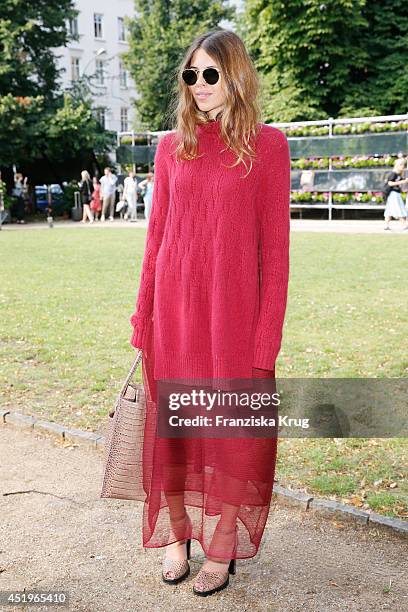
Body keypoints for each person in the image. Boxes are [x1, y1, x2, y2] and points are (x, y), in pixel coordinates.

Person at [127, 29, 290, 596]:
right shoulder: (172, 147)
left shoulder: (269, 146)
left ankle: (221, 548)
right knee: (175, 434)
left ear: (236, 77)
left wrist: (266, 338)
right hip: (175, 315)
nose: (198, 86)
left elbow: (277, 253)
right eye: (190, 75)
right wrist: (143, 315)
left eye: (210, 75)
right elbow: (156, 239)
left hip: (232, 320)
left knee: (227, 437)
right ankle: (177, 539)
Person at [383, 158, 408, 230]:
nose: (403, 167)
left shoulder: (398, 174)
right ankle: (404, 224)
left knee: (389, 210)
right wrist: (403, 182)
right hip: (393, 193)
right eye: (402, 165)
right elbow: (390, 183)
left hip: (396, 193)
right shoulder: (393, 174)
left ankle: (386, 225)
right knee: (398, 208)